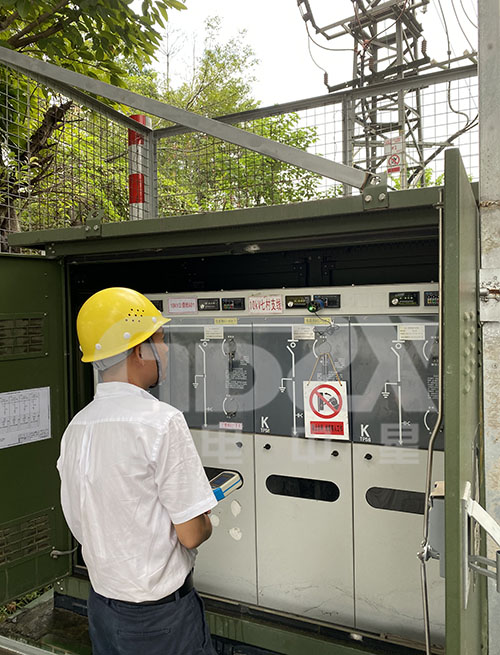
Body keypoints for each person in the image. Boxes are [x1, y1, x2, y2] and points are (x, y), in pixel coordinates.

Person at [56, 287, 218, 655]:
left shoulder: (77, 427)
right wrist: (206, 518)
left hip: (102, 608)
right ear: (138, 351)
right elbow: (191, 534)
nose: (165, 350)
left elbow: (80, 521)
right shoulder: (161, 422)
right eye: (159, 340)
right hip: (161, 620)